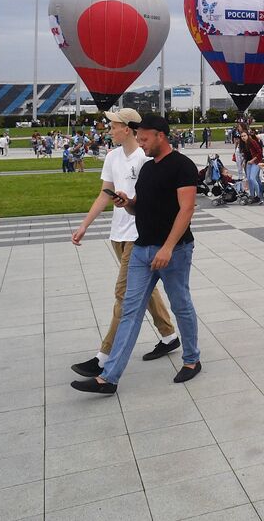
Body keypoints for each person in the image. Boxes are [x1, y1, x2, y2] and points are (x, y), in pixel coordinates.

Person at [72, 113, 200, 395]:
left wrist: (167, 247)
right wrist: (127, 203)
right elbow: (139, 206)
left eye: (144, 138)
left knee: (181, 305)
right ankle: (109, 377)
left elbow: (186, 209)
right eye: (138, 138)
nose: (141, 143)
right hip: (142, 249)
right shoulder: (148, 168)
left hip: (174, 251)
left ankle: (191, 360)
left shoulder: (182, 166)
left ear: (160, 136)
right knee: (130, 310)